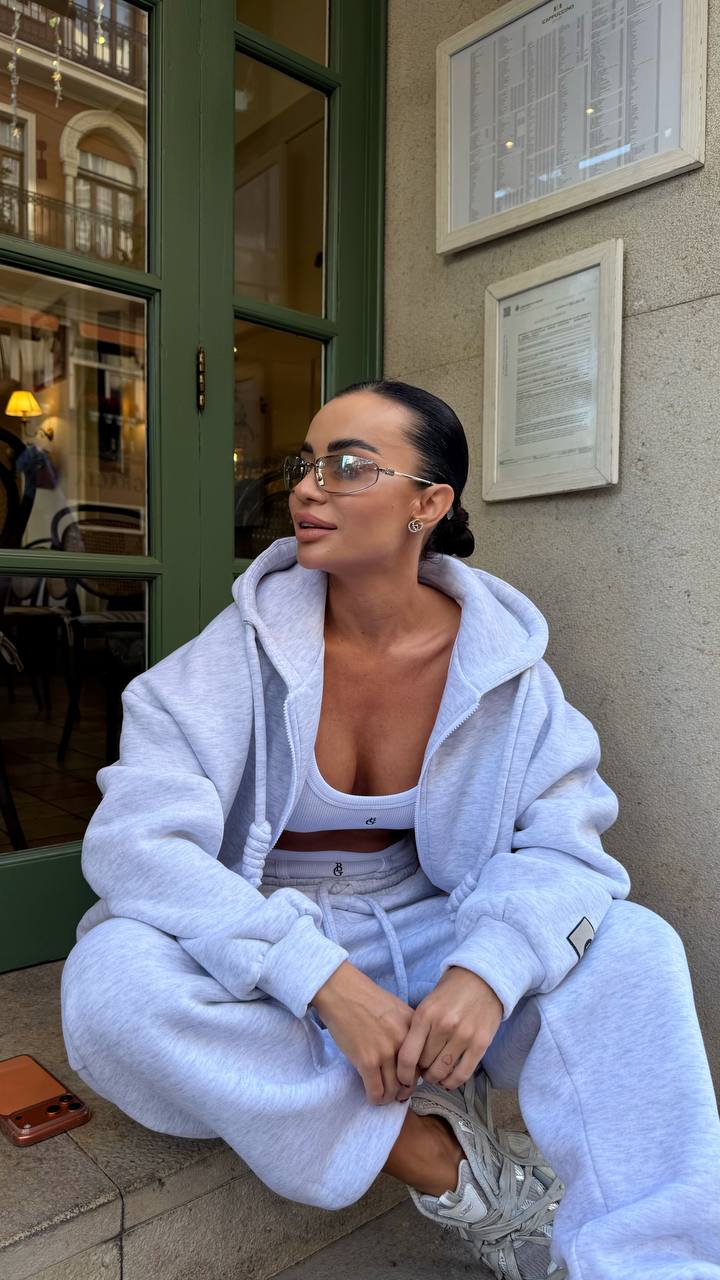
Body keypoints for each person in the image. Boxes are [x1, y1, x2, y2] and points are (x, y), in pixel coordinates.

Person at [60, 380, 720, 1280]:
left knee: (637, 949)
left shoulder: (507, 671)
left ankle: (655, 1263)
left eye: (348, 466)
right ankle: (453, 1168)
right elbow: (136, 848)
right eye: (305, 464)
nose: (307, 487)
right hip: (270, 924)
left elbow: (568, 848)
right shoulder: (229, 660)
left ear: (429, 504)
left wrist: (489, 967)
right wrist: (318, 978)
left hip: (430, 922)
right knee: (111, 983)